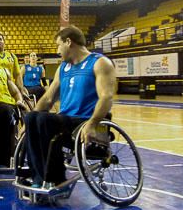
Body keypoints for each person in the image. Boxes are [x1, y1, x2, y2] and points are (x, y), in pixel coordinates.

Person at [21, 26, 116, 188]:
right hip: (65, 122)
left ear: (68, 42)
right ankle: (37, 176)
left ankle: (56, 179)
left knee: (45, 120)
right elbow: (48, 98)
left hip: (86, 122)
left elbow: (106, 97)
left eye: (59, 45)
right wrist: (28, 123)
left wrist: (92, 124)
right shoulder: (63, 68)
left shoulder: (99, 63)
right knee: (31, 117)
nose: (57, 50)